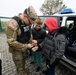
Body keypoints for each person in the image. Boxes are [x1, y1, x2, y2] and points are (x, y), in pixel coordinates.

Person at [5, 6, 37, 75]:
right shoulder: (13, 23)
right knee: (19, 67)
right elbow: (10, 42)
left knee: (23, 62)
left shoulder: (27, 22)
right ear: (25, 16)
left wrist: (31, 41)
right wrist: (25, 46)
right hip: (17, 51)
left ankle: (23, 70)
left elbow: (29, 33)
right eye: (30, 22)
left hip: (24, 49)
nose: (30, 24)